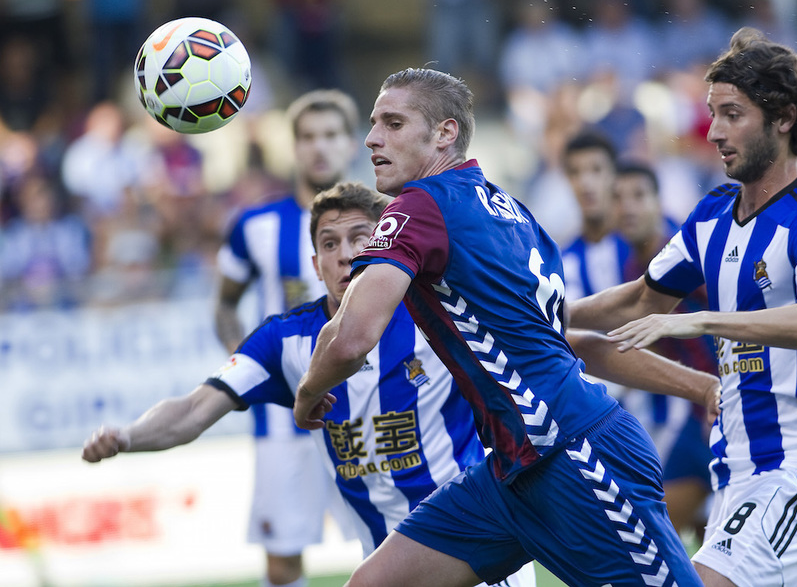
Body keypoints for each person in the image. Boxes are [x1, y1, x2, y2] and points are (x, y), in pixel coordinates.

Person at [292, 67, 720, 586]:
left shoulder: (418, 208)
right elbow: (566, 342)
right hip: (514, 469)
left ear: (445, 133)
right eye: (374, 123)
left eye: (393, 122)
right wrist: (702, 387)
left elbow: (351, 337)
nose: (372, 137)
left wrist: (309, 391)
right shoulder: (514, 213)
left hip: (574, 455)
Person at [82, 181, 536, 587]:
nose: (346, 254)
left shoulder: (439, 314)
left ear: (386, 246)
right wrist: (127, 436)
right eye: (329, 243)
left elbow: (544, 341)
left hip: (476, 547)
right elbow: (195, 409)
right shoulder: (285, 340)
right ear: (316, 265)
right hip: (385, 562)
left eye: (361, 238)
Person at [569, 27, 797, 586]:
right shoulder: (713, 212)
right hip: (734, 471)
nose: (715, 131)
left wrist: (700, 318)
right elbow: (641, 298)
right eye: (712, 114)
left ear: (784, 118)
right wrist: (547, 311)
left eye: (733, 114)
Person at [213, 89, 360, 587]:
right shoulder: (254, 225)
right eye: (308, 137)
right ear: (293, 147)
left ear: (350, 143)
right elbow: (224, 305)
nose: (319, 148)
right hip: (282, 419)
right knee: (281, 561)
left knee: (392, 547)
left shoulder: (384, 222)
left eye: (331, 135)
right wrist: (246, 365)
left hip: (369, 411)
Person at [560, 132, 716, 541]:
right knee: (714, 543)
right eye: (575, 173)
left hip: (692, 410)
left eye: (596, 171)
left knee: (653, 540)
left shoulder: (674, 248)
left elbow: (722, 315)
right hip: (663, 412)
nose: (586, 183)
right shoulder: (587, 259)